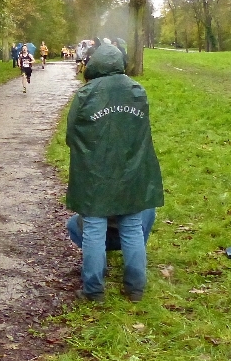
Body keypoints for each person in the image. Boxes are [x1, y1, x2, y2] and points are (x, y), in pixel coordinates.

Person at [65, 44, 164, 303]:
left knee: (94, 229)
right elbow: (142, 134)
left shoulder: (85, 94)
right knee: (131, 227)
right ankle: (135, 289)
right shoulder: (136, 90)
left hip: (95, 176)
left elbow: (71, 134)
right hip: (131, 173)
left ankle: (93, 290)